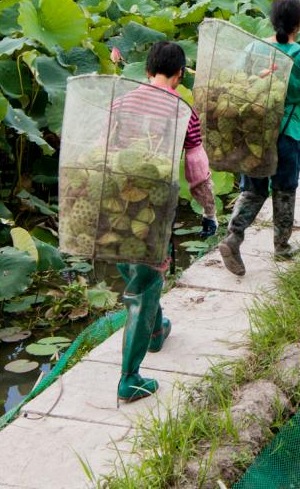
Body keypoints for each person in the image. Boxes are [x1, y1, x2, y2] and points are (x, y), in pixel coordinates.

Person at [218, 0, 300, 276]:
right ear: (299, 25)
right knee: (284, 189)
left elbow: (235, 82)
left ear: (272, 21)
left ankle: (233, 237)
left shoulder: (255, 48)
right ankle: (281, 246)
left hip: (254, 130)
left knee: (252, 189)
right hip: (287, 132)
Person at [115, 41, 216, 402]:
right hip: (153, 207)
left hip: (115, 202)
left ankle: (156, 332)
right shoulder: (182, 110)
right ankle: (129, 378)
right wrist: (208, 211)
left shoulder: (119, 104)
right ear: (180, 74)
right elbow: (197, 170)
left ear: (147, 71)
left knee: (136, 272)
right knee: (145, 286)